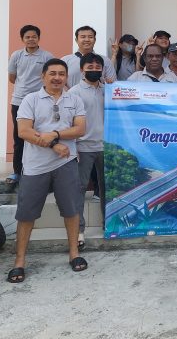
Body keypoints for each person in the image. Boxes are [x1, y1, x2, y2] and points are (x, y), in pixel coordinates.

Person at [9, 58, 87, 283]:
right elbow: (24, 131)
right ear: (43, 76)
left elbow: (80, 128)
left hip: (66, 163)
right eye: (52, 73)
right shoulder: (30, 99)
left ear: (66, 77)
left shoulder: (74, 99)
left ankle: (74, 254)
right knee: (26, 214)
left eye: (61, 74)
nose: (57, 78)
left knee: (71, 211)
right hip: (35, 166)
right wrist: (54, 144)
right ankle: (20, 262)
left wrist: (55, 135)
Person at [7, 25, 54, 187]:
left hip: (41, 101)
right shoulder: (16, 55)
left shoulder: (47, 56)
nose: (31, 39)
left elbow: (51, 76)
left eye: (34, 36)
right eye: (27, 37)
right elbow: (12, 78)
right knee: (19, 138)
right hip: (19, 102)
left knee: (41, 134)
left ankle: (43, 171)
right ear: (22, 39)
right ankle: (17, 172)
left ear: (38, 38)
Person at [67, 53, 105, 250]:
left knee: (108, 188)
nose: (94, 69)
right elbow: (69, 121)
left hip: (106, 147)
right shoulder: (74, 92)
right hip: (83, 147)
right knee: (80, 188)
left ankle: (109, 225)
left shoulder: (107, 91)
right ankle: (79, 231)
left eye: (98, 66)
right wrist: (73, 146)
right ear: (82, 70)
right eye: (90, 66)